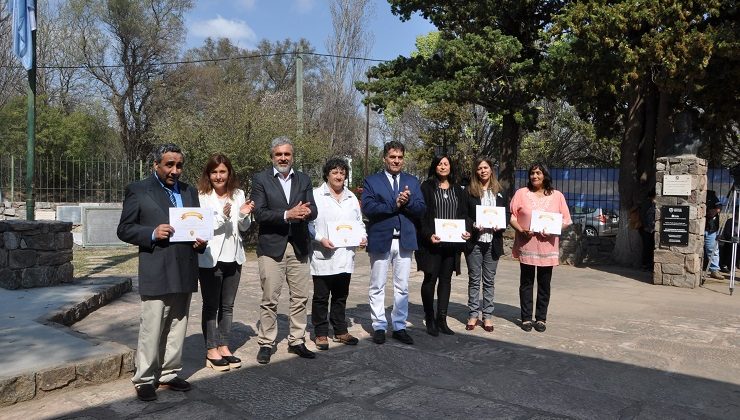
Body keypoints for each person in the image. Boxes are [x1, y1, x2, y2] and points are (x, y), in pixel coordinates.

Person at [117, 143, 207, 401]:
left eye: (179, 165)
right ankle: (144, 377)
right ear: (156, 165)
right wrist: (152, 233)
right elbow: (124, 229)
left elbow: (196, 226)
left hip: (184, 265)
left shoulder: (189, 191)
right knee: (153, 325)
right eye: (169, 164)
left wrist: (201, 241)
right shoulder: (138, 190)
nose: (175, 170)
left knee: (179, 324)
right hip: (156, 266)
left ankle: (168, 372)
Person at [251, 136, 318, 364]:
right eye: (278, 154)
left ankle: (297, 340)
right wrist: (286, 215)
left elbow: (314, 209)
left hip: (298, 245)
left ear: (292, 156)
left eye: (287, 154)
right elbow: (259, 213)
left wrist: (306, 213)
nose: (283, 158)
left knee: (300, 297)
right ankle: (266, 342)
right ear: (272, 156)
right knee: (270, 297)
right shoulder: (261, 179)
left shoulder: (303, 179)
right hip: (272, 246)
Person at [362, 141, 426, 345]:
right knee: (377, 285)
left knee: (402, 286)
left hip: (405, 240)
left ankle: (399, 325)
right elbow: (369, 207)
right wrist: (394, 204)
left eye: (399, 157)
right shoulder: (372, 181)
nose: (396, 161)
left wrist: (406, 203)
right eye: (392, 157)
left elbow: (421, 208)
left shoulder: (412, 181)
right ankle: (379, 325)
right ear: (384, 158)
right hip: (381, 238)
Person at [197, 154, 254, 372]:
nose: (219, 176)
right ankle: (211, 350)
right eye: (214, 172)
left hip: (234, 256)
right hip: (211, 257)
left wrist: (244, 215)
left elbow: (244, 227)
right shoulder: (202, 196)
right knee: (211, 305)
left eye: (222, 171)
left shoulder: (238, 194)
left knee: (227, 306)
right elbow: (201, 227)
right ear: (208, 175)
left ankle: (224, 346)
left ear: (229, 173)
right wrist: (222, 216)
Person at [308, 158, 367, 350]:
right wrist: (319, 238)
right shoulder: (316, 195)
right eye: (335, 172)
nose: (339, 176)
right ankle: (321, 333)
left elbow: (359, 223)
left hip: (345, 256)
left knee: (341, 296)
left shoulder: (351, 198)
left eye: (342, 173)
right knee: (321, 297)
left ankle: (340, 330)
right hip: (323, 254)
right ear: (327, 174)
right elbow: (308, 224)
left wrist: (363, 237)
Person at [509, 163, 571, 333]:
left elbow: (566, 220)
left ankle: (541, 318)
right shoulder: (521, 193)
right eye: (532, 173)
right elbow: (513, 216)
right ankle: (526, 318)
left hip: (547, 247)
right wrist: (521, 230)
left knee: (544, 283)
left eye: (538, 173)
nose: (534, 176)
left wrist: (552, 230)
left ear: (545, 175)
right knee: (526, 282)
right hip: (527, 244)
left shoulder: (557, 196)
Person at [416, 154, 470, 336]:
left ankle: (442, 319)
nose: (443, 166)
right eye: (439, 163)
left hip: (452, 245)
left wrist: (466, 230)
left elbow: (465, 215)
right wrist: (428, 234)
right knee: (430, 279)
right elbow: (421, 216)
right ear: (435, 166)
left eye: (446, 163)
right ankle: (429, 318)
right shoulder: (426, 187)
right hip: (432, 243)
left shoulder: (458, 190)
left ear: (451, 167)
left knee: (446, 281)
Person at [464, 157, 507, 332]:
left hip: (493, 242)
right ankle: (473, 314)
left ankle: (487, 316)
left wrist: (500, 224)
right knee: (474, 280)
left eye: (486, 167)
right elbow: (463, 214)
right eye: (480, 168)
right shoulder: (469, 192)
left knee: (489, 281)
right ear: (476, 171)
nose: (483, 171)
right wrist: (473, 225)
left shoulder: (500, 192)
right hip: (475, 241)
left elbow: (506, 213)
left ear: (491, 170)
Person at [704, 191, 723, 279]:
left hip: (710, 228)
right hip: (698, 226)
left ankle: (714, 270)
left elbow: (719, 206)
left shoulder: (711, 194)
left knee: (713, 250)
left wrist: (715, 211)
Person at [639, 188, 657, 271]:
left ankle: (649, 264)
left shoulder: (653, 203)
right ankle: (645, 264)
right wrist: (645, 226)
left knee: (650, 246)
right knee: (647, 247)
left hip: (652, 229)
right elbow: (643, 216)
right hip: (646, 229)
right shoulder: (647, 203)